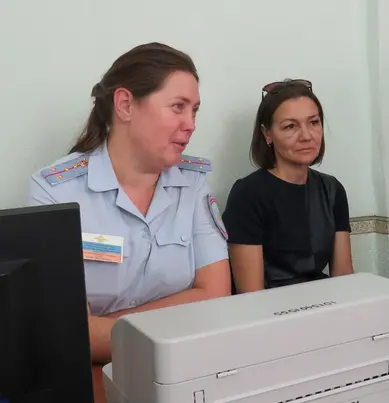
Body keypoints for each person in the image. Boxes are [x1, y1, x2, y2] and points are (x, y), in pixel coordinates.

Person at [26, 42, 231, 363]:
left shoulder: (193, 183)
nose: (190, 123)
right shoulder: (55, 192)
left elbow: (216, 297)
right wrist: (178, 320)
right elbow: (66, 332)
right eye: (178, 106)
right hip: (93, 377)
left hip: (183, 367)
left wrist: (105, 327)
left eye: (194, 110)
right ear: (125, 105)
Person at [222, 79, 353, 291]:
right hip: (270, 313)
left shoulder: (332, 190)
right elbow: (251, 295)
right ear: (267, 134)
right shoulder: (248, 194)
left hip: (324, 306)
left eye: (314, 122)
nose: (306, 136)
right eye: (290, 126)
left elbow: (344, 278)